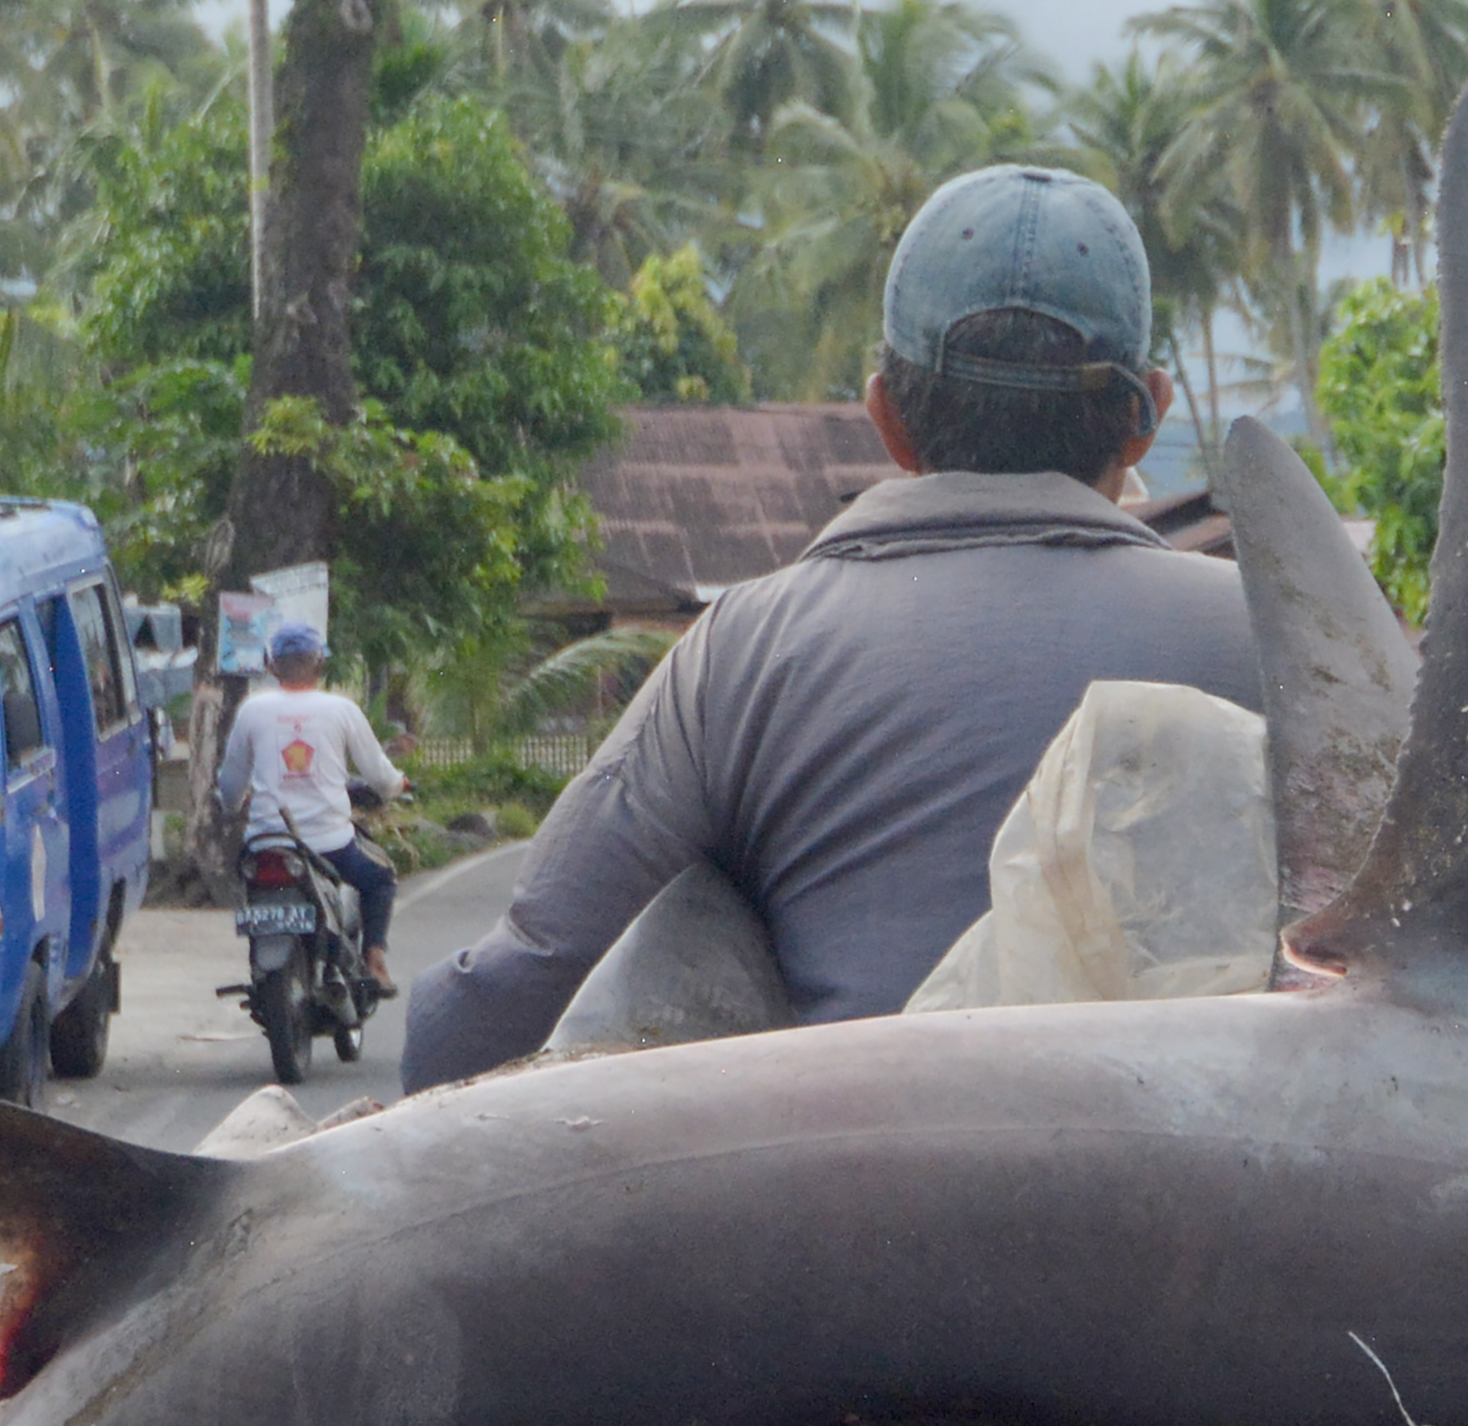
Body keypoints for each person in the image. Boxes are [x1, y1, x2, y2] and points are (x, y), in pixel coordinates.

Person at [403, 163, 1260, 1092]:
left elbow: (488, 1018)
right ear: (1147, 419)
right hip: (1217, 1223)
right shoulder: (1273, 637)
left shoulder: (746, 651)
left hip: (847, 1227)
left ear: (886, 414)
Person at [217, 620, 410, 992]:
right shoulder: (342, 710)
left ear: (272, 666)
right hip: (331, 846)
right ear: (319, 664)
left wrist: (233, 805)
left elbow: (229, 784)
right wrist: (397, 785)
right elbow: (380, 777)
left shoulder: (252, 710)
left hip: (268, 844)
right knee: (381, 879)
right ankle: (374, 960)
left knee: (249, 885)